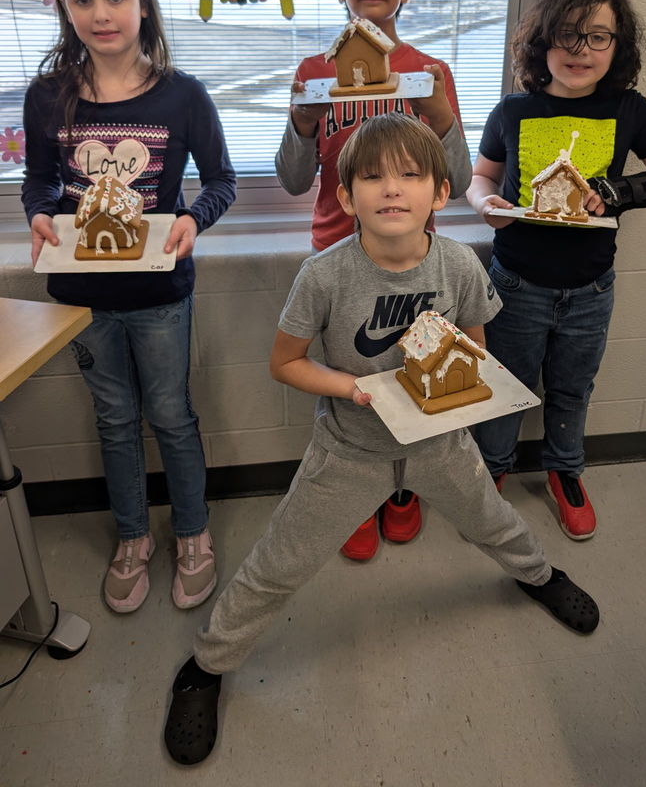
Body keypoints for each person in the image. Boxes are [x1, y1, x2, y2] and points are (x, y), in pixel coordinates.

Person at [163, 112, 599, 766]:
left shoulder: (456, 265)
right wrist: (349, 388)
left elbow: (474, 351)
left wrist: (462, 391)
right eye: (371, 177)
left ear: (439, 192)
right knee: (280, 563)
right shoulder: (324, 275)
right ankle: (205, 665)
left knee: (492, 521)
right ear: (346, 197)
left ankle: (539, 576)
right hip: (349, 448)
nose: (390, 188)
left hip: (439, 445)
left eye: (409, 174)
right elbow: (285, 363)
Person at [21, 0, 237, 614]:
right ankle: (132, 535)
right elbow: (38, 183)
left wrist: (192, 221)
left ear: (142, 1)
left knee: (171, 415)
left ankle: (193, 532)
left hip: (159, 293)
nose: (100, 13)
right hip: (82, 296)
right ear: (64, 7)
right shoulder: (48, 97)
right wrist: (39, 217)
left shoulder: (182, 96)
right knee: (114, 418)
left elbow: (221, 182)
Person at [466, 0, 646, 541]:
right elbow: (480, 178)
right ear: (542, 43)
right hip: (515, 283)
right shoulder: (513, 109)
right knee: (505, 385)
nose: (581, 50)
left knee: (573, 388)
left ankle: (564, 472)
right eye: (568, 35)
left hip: (591, 289)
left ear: (617, 48)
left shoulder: (630, 109)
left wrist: (619, 191)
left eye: (599, 37)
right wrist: (486, 206)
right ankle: (488, 477)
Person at [275, 0, 473, 561]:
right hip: (338, 261)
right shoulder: (315, 70)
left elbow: (462, 179)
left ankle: (403, 489)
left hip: (416, 261)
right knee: (349, 384)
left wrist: (442, 118)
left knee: (415, 370)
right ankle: (356, 495)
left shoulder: (427, 73)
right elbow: (292, 178)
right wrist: (301, 125)